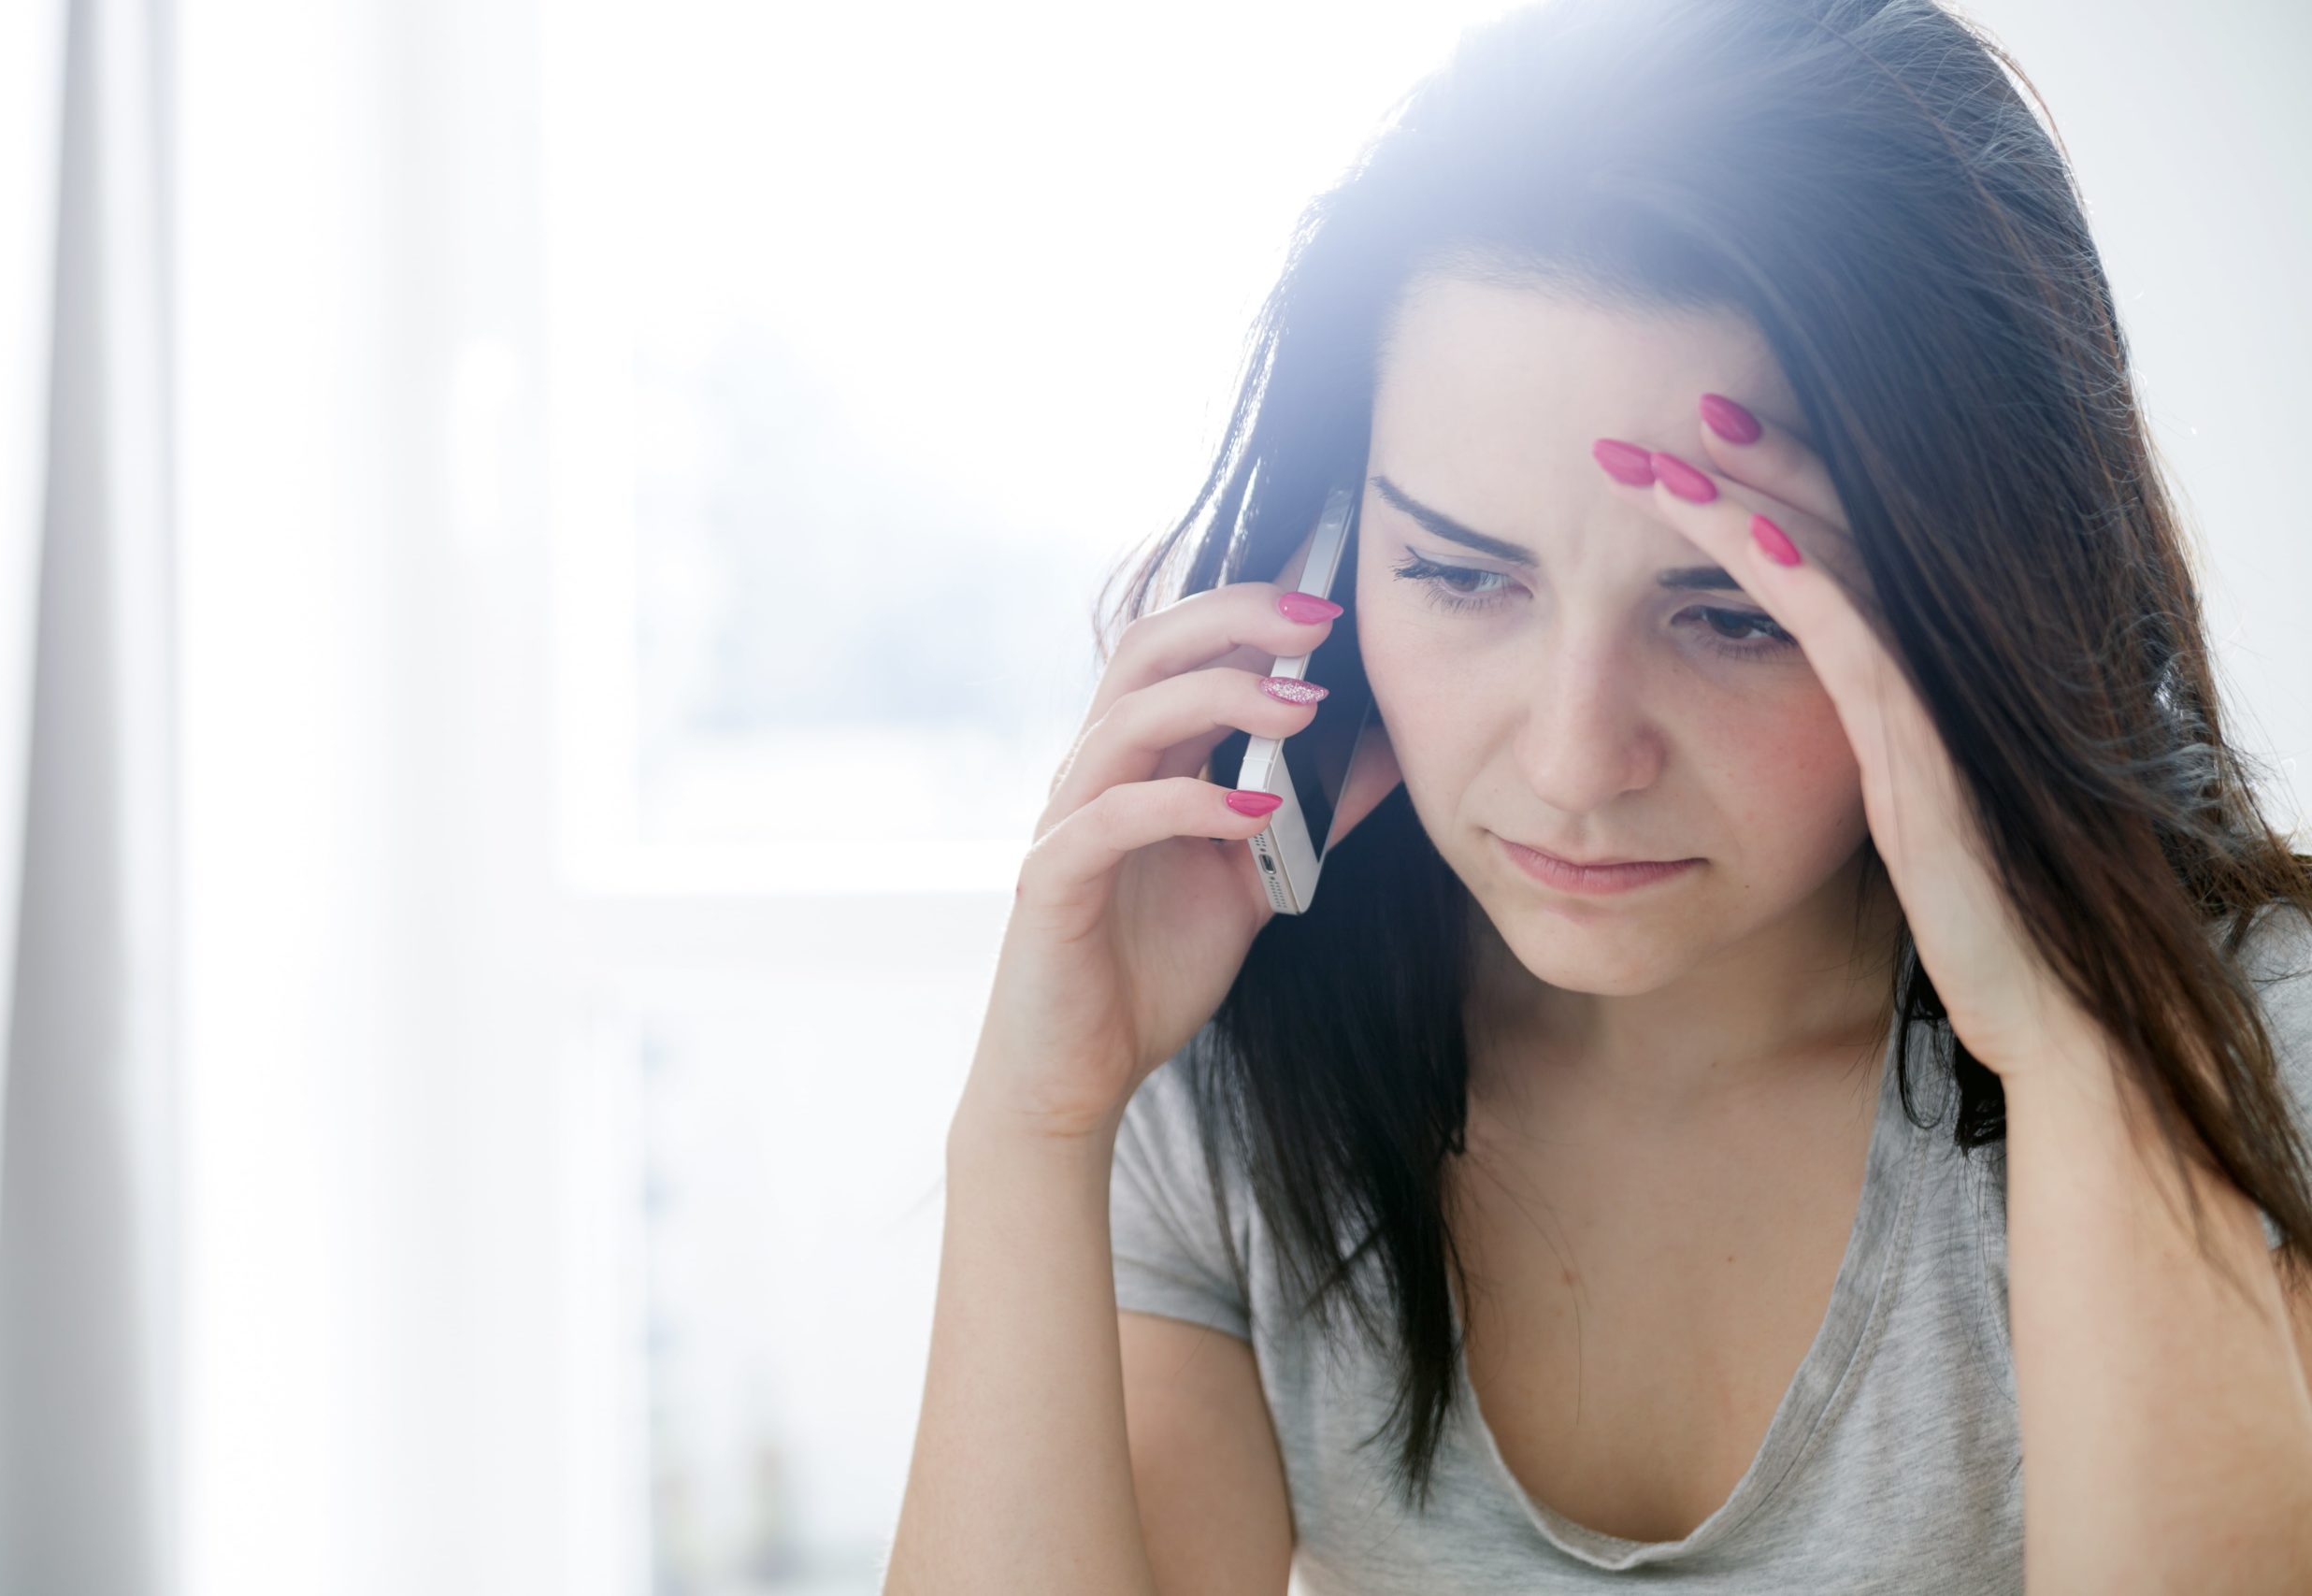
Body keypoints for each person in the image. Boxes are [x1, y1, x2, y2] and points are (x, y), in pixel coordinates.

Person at [883, 1, 2312, 1590]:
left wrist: (2076, 1047)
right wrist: (1032, 1124)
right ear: (1335, 567)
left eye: (1735, 614)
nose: (1573, 760)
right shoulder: (1238, 1072)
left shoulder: (2268, 1060)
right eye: (1458, 573)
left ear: (1981, 602)